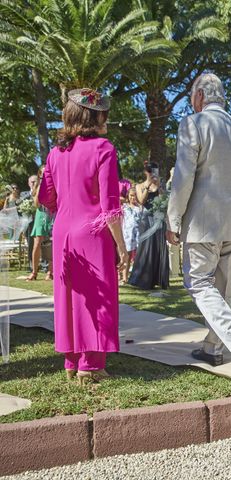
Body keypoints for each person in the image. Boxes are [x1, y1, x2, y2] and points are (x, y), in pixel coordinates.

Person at [166, 73, 231, 382]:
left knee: (199, 283)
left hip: (203, 221)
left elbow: (182, 179)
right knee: (221, 286)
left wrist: (174, 219)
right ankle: (212, 347)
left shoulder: (193, 124)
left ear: (198, 97)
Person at [37, 88, 127, 384]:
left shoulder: (54, 153)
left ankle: (71, 361)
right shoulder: (104, 148)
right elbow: (110, 205)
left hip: (62, 232)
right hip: (93, 233)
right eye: (103, 113)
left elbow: (46, 197)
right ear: (95, 116)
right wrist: (122, 247)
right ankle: (91, 366)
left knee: (70, 298)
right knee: (98, 297)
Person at [128, 161, 169, 290]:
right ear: (146, 172)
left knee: (159, 246)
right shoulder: (140, 186)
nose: (153, 174)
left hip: (158, 218)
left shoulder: (160, 184)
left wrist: (159, 187)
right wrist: (149, 185)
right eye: (151, 171)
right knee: (146, 246)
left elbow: (164, 200)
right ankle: (143, 279)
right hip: (146, 219)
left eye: (155, 171)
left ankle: (160, 279)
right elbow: (141, 200)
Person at [27, 168, 54, 281]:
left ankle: (50, 272)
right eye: (43, 172)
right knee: (37, 243)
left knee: (52, 242)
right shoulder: (37, 187)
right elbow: (37, 204)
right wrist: (40, 185)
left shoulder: (54, 184)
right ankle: (34, 272)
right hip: (40, 213)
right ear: (40, 174)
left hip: (51, 213)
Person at [121, 187, 142, 285]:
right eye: (131, 196)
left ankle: (137, 277)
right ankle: (125, 277)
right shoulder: (124, 207)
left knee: (138, 257)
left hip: (138, 234)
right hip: (127, 235)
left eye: (135, 196)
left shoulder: (140, 208)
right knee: (127, 257)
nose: (133, 198)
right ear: (128, 196)